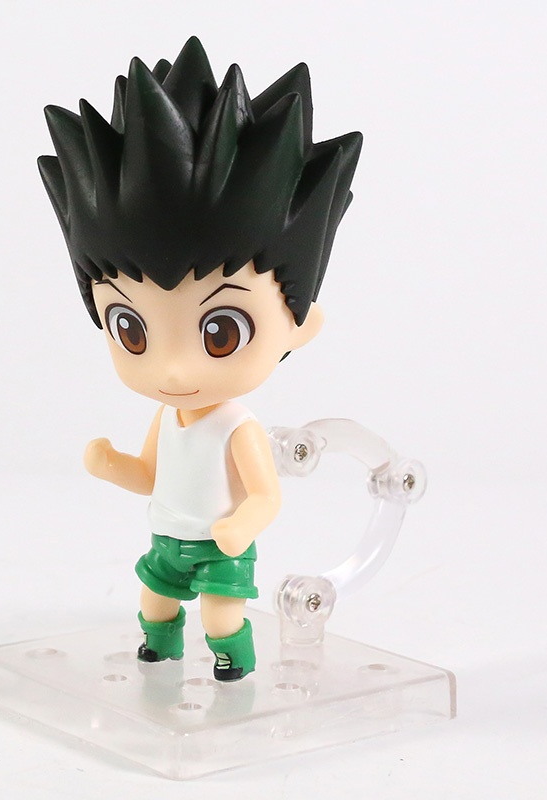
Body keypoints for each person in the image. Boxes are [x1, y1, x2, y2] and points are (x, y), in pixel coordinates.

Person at [38, 36, 361, 681]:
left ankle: (232, 662)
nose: (174, 371)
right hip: (168, 537)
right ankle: (159, 648)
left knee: (218, 615)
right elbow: (150, 474)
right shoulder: (169, 419)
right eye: (132, 329)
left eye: (220, 333)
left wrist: (242, 526)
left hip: (219, 544)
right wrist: (112, 465)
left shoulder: (237, 427)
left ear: (299, 325)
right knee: (154, 600)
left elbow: (265, 494)